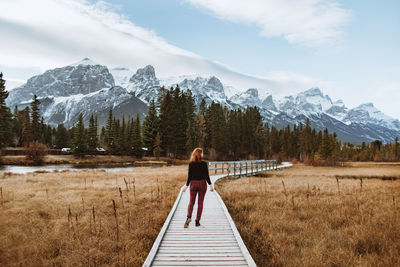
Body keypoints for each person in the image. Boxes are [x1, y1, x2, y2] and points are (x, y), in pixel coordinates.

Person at [183, 147, 213, 228]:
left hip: (193, 184)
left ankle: (188, 217)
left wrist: (186, 186)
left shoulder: (191, 164)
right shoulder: (204, 163)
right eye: (202, 153)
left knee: (191, 202)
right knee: (200, 203)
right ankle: (197, 221)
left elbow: (189, 176)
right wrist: (210, 185)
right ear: (200, 154)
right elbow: (207, 175)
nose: (203, 154)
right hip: (202, 184)